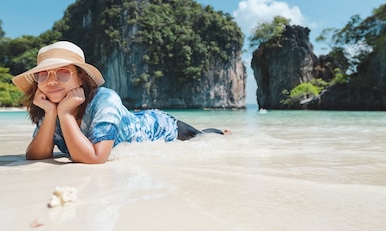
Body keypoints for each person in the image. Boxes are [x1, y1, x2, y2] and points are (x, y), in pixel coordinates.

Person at [12, 41, 228, 164]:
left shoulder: (105, 100)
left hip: (159, 127)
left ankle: (222, 132)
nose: (51, 82)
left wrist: (66, 114)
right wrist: (52, 113)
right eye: (43, 75)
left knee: (203, 137)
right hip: (135, 120)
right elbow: (36, 156)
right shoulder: (51, 107)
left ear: (80, 77)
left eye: (62, 73)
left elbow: (96, 158)